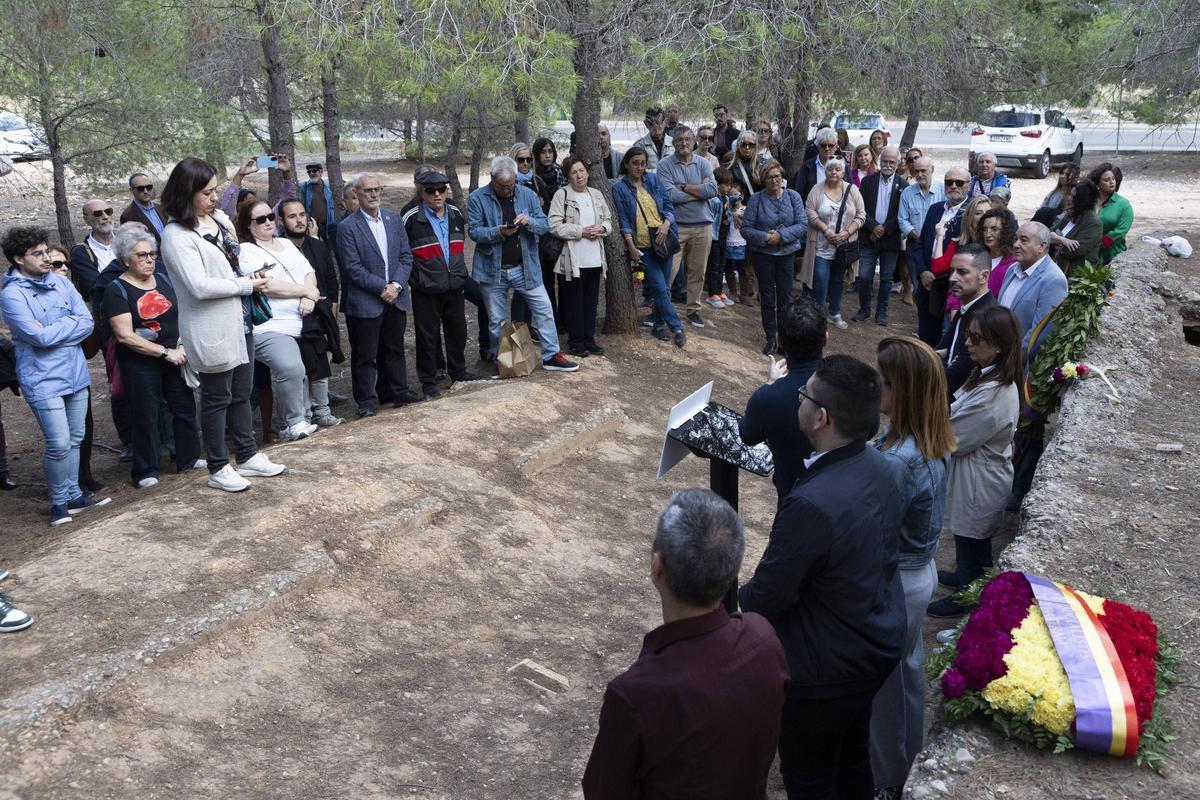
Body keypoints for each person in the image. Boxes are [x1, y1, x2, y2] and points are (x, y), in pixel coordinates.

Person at [739, 354, 907, 800]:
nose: (797, 399)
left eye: (803, 394)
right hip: (875, 643)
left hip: (824, 671)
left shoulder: (812, 503)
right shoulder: (885, 469)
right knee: (853, 759)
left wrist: (731, 600)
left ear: (821, 416)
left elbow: (769, 595)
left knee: (809, 777)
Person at [582, 489, 789, 800]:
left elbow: (603, 792)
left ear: (657, 566)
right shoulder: (763, 640)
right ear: (732, 568)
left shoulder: (636, 694)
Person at [160, 157, 286, 493]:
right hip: (210, 325)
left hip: (239, 318)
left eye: (215, 190)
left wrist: (253, 272)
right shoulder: (176, 236)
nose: (215, 197)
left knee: (242, 392)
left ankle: (246, 454)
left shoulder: (215, 219)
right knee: (217, 396)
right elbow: (198, 286)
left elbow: (233, 261)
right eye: (206, 192)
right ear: (186, 194)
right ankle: (218, 465)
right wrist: (247, 285)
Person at [870, 336, 954, 799]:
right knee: (905, 674)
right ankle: (897, 764)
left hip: (900, 577)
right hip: (917, 572)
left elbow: (874, 523)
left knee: (890, 686)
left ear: (903, 390)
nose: (876, 389)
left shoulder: (903, 459)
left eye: (883, 382)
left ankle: (888, 779)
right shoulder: (921, 438)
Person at [3, 226, 112, 526]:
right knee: (59, 442)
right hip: (42, 378)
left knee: (76, 437)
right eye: (36, 254)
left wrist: (55, 330)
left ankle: (75, 494)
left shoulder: (61, 283)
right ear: (17, 259)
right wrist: (66, 328)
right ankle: (59, 501)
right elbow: (36, 337)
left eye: (45, 251)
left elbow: (86, 322)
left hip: (75, 373)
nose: (45, 258)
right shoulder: (12, 294)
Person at [928, 305, 1022, 617]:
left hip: (979, 481)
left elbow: (955, 438)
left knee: (973, 538)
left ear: (998, 345)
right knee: (968, 536)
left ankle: (968, 595)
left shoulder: (993, 395)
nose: (967, 343)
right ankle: (964, 577)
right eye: (968, 335)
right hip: (975, 475)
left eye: (976, 338)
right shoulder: (986, 376)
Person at [101, 223, 202, 487]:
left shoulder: (165, 279)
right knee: (145, 413)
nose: (149, 260)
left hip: (177, 355)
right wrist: (164, 352)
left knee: (184, 408)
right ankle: (146, 470)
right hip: (141, 362)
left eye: (152, 254)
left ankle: (188, 457)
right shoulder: (117, 290)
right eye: (141, 256)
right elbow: (124, 335)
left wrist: (182, 347)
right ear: (125, 260)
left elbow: (184, 312)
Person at [467, 156, 581, 372]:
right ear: (492, 180)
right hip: (493, 270)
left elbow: (545, 224)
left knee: (544, 309)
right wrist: (498, 231)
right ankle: (500, 361)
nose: (509, 190)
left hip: (525, 267)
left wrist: (530, 222)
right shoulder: (477, 198)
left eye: (511, 185)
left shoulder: (527, 195)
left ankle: (551, 355)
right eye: (503, 187)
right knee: (496, 320)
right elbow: (473, 231)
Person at [335, 172, 425, 414]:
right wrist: (380, 288)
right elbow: (352, 268)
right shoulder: (347, 227)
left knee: (394, 348)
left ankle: (397, 390)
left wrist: (395, 285)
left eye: (376, 189)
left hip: (395, 297)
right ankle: (366, 400)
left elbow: (406, 256)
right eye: (367, 191)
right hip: (366, 301)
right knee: (366, 354)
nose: (373, 194)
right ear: (357, 194)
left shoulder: (394, 219)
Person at [236, 199, 326, 440]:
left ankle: (305, 418)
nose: (268, 222)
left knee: (311, 371)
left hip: (304, 320)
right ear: (247, 225)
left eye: (271, 217)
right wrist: (306, 292)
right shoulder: (246, 251)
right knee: (291, 367)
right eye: (260, 219)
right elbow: (267, 286)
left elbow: (309, 273)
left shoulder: (286, 243)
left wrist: (310, 296)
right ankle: (292, 423)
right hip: (271, 326)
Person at [402, 170, 484, 397]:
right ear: (421, 192)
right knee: (427, 337)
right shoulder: (410, 218)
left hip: (454, 284)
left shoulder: (456, 212)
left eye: (441, 189)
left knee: (457, 331)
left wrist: (458, 274)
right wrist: (416, 279)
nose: (437, 194)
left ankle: (458, 371)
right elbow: (403, 252)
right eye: (431, 190)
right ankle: (428, 381)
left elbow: (459, 244)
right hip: (426, 288)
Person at [739, 299, 826, 504]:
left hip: (793, 504)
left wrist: (771, 384)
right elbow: (871, 426)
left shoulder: (768, 398)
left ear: (780, 341)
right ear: (826, 338)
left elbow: (747, 434)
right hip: (844, 508)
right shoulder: (848, 382)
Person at [277, 200, 345, 426]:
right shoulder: (279, 249)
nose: (299, 220)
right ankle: (304, 416)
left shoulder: (318, 246)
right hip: (291, 317)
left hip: (321, 317)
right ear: (281, 221)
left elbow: (330, 280)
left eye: (302, 215)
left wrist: (332, 310)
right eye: (292, 216)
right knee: (300, 370)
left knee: (321, 365)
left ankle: (322, 412)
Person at [612, 147, 685, 348]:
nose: (639, 167)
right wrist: (630, 245)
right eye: (635, 162)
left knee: (664, 289)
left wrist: (666, 224)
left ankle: (658, 323)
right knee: (660, 288)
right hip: (644, 247)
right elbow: (624, 219)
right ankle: (677, 327)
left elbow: (669, 207)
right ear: (626, 163)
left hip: (664, 241)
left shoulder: (653, 180)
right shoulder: (620, 188)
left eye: (642, 163)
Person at [548, 156, 612, 358]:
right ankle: (575, 342)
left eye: (581, 170)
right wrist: (581, 231)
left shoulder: (596, 194)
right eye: (574, 172)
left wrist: (602, 228)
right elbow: (554, 225)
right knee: (573, 301)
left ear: (587, 172)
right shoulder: (562, 195)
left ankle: (588, 339)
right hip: (572, 259)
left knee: (591, 301)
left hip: (594, 257)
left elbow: (608, 220)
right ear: (568, 176)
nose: (579, 175)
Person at [742, 160, 808, 353]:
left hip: (787, 255)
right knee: (768, 298)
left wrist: (781, 236)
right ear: (764, 179)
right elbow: (746, 229)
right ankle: (771, 338)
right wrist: (765, 237)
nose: (774, 181)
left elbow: (803, 225)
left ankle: (785, 340)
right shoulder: (756, 199)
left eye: (777, 176)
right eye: (770, 177)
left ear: (782, 177)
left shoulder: (793, 197)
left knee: (786, 299)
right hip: (763, 255)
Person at [657, 125, 718, 329]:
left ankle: (693, 310)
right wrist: (697, 193)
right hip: (676, 227)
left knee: (697, 272)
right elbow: (668, 195)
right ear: (673, 143)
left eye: (687, 139)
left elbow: (712, 190)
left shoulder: (703, 163)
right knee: (669, 272)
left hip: (703, 226)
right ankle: (661, 311)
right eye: (679, 139)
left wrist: (682, 187)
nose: (684, 143)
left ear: (694, 142)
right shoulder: (665, 165)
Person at [802, 157, 864, 329]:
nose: (834, 172)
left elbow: (861, 215)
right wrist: (826, 230)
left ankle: (834, 313)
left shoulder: (852, 190)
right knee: (820, 277)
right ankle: (817, 314)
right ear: (826, 171)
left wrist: (846, 232)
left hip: (844, 245)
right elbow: (810, 211)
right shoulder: (817, 189)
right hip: (821, 244)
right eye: (830, 169)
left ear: (843, 172)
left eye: (838, 169)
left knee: (838, 279)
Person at [911, 165, 968, 345]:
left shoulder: (970, 214)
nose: (953, 186)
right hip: (927, 285)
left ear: (968, 185)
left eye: (958, 182)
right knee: (926, 337)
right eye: (949, 182)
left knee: (946, 340)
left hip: (951, 286)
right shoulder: (935, 209)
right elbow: (919, 245)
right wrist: (922, 272)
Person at [998, 222, 1068, 359]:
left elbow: (1038, 335)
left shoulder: (1054, 280)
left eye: (1023, 240)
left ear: (1042, 246)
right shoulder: (1013, 268)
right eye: (1016, 239)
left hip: (1014, 365)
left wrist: (1009, 361)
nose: (1016, 244)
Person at [936, 243, 996, 397]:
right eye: (952, 271)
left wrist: (940, 359)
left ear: (983, 276)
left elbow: (957, 375)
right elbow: (941, 350)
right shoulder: (966, 309)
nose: (952, 278)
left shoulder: (985, 318)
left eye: (962, 272)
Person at [854, 145, 904, 325]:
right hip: (869, 237)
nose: (888, 165)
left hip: (890, 240)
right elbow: (861, 209)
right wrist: (874, 226)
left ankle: (881, 312)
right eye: (885, 161)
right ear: (880, 160)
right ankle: (864, 309)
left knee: (886, 279)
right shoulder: (868, 181)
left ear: (897, 164)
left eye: (892, 162)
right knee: (865, 276)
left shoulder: (904, 186)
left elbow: (902, 214)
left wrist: (884, 229)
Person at [929, 194, 991, 317]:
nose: (984, 216)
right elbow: (938, 268)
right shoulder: (959, 243)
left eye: (988, 212)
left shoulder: (994, 246)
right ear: (970, 217)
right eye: (978, 213)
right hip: (958, 305)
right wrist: (940, 237)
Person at [218, 155, 297, 219]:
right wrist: (240, 175)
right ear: (237, 207)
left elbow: (288, 201)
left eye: (253, 201)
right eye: (246, 203)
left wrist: (287, 173)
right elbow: (228, 202)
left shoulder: (269, 218)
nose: (251, 205)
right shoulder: (234, 224)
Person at [1049, 178, 1102, 274]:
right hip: (1059, 269)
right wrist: (1063, 240)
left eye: (1073, 196)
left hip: (1076, 277)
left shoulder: (1093, 223)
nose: (1069, 198)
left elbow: (1074, 251)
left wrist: (1056, 239)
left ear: (1082, 200)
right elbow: (1047, 233)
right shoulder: (1071, 215)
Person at [1088, 162, 1133, 264]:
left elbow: (1121, 231)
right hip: (1087, 253)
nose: (1112, 182)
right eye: (1106, 180)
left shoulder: (1123, 205)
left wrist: (1100, 243)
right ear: (1098, 183)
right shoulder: (1089, 200)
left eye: (1113, 179)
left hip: (1112, 256)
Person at [792, 127, 840, 206]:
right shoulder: (807, 167)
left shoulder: (843, 167)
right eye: (823, 145)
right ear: (817, 146)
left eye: (830, 145)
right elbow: (800, 193)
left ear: (835, 147)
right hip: (812, 212)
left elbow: (848, 192)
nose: (827, 148)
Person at [979, 208, 1018, 298]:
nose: (988, 234)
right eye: (985, 229)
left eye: (994, 229)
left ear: (1006, 231)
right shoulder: (977, 254)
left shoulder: (1014, 263)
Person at [120, 172, 166, 244]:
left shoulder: (161, 208)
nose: (146, 191)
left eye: (148, 187)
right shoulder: (128, 216)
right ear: (131, 190)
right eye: (140, 188)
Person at [299, 162, 336, 240]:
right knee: (314, 246)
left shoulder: (329, 186)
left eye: (314, 171)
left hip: (328, 224)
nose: (311, 173)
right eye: (309, 172)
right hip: (313, 225)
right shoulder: (303, 187)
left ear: (321, 172)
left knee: (330, 247)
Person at [633, 108, 673, 172]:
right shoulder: (639, 145)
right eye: (651, 123)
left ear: (665, 122)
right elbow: (638, 170)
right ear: (646, 124)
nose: (655, 126)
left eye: (659, 122)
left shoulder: (674, 143)